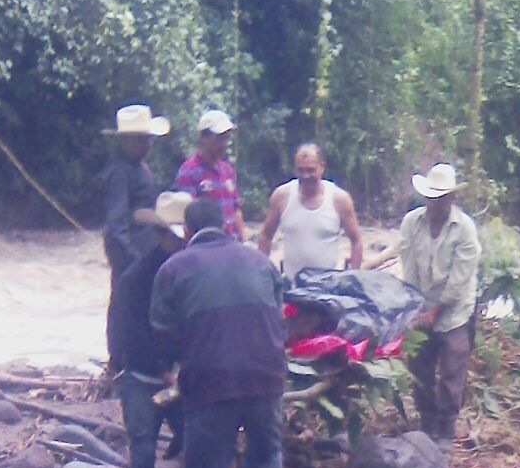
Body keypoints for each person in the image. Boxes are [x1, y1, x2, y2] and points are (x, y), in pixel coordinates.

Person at [150, 197, 287, 468]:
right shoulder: (260, 261)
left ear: (187, 231)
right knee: (265, 456)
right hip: (267, 378)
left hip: (210, 385)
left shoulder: (173, 269)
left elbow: (163, 334)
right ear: (227, 226)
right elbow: (279, 317)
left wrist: (172, 371)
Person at [369, 163, 480, 446]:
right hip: (421, 304)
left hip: (454, 311)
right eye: (431, 197)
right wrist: (414, 307)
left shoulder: (465, 230)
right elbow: (407, 264)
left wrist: (436, 311)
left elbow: (459, 278)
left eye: (441, 197)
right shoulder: (412, 223)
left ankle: (446, 429)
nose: (435, 203)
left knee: (453, 368)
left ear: (451, 198)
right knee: (419, 367)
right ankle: (427, 422)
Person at [109, 192, 190, 468]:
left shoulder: (190, 272)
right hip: (145, 378)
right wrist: (167, 372)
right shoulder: (136, 278)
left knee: (197, 450)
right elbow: (130, 337)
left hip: (179, 376)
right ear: (160, 235)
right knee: (142, 457)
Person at [101, 104, 170, 359]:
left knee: (139, 312)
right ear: (126, 141)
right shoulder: (121, 173)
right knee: (125, 309)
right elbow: (116, 225)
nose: (147, 145)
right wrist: (132, 263)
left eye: (148, 139)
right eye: (141, 139)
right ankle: (120, 361)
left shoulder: (141, 169)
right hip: (131, 257)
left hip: (145, 253)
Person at [257, 143, 362, 280]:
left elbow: (356, 241)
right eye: (300, 170)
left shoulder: (339, 199)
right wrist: (263, 272)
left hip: (328, 285)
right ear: (294, 169)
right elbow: (265, 236)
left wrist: (353, 276)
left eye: (311, 170)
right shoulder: (282, 196)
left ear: (322, 167)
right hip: (292, 284)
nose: (306, 176)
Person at [173, 109, 248, 242]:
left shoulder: (227, 170)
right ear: (203, 137)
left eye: (226, 138)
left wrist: (244, 239)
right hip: (207, 244)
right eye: (219, 138)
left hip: (231, 242)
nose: (223, 144)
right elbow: (187, 215)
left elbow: (236, 208)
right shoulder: (189, 171)